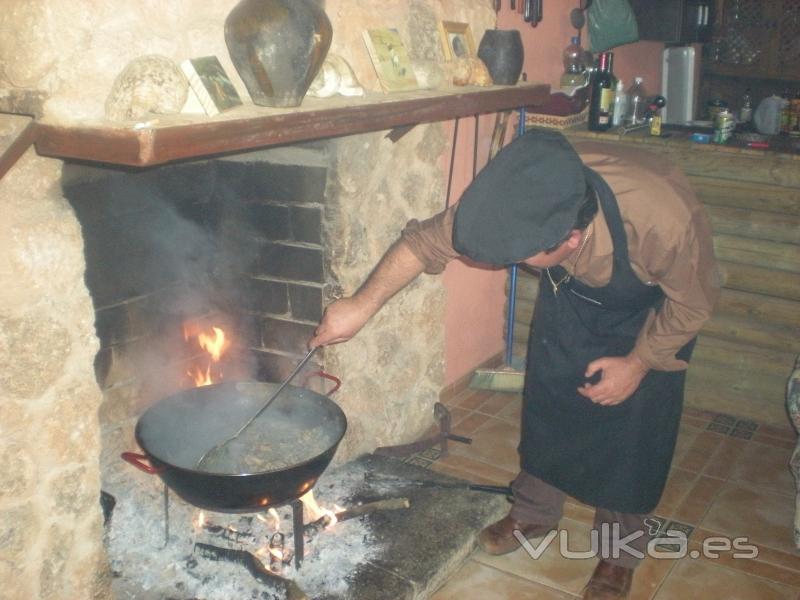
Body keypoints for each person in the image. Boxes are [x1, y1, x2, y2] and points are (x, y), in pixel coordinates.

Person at [309, 128, 719, 600]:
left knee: (634, 436)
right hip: (572, 297)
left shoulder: (662, 220)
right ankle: (534, 513)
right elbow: (423, 244)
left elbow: (694, 303)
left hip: (651, 314)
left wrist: (639, 363)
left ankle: (617, 552)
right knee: (549, 400)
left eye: (521, 257)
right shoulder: (516, 197)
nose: (506, 263)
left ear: (571, 238)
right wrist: (360, 305)